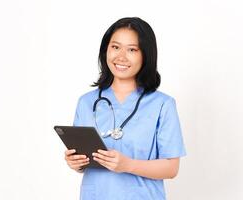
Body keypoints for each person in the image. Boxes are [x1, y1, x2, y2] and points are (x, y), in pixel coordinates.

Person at [64, 17, 186, 200]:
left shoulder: (162, 104)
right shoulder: (86, 102)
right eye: (115, 47)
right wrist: (76, 163)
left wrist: (128, 165)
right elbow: (85, 160)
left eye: (132, 49)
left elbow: (171, 168)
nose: (121, 56)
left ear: (145, 55)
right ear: (105, 49)